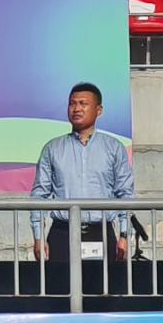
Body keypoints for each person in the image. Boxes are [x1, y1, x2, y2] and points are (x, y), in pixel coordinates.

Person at [30, 83, 134, 267]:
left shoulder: (114, 148)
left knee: (102, 285)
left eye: (83, 103)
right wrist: (39, 237)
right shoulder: (52, 149)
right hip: (62, 233)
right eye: (72, 104)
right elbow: (39, 196)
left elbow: (125, 194)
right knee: (60, 284)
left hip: (101, 232)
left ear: (98, 110)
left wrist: (125, 235)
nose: (76, 108)